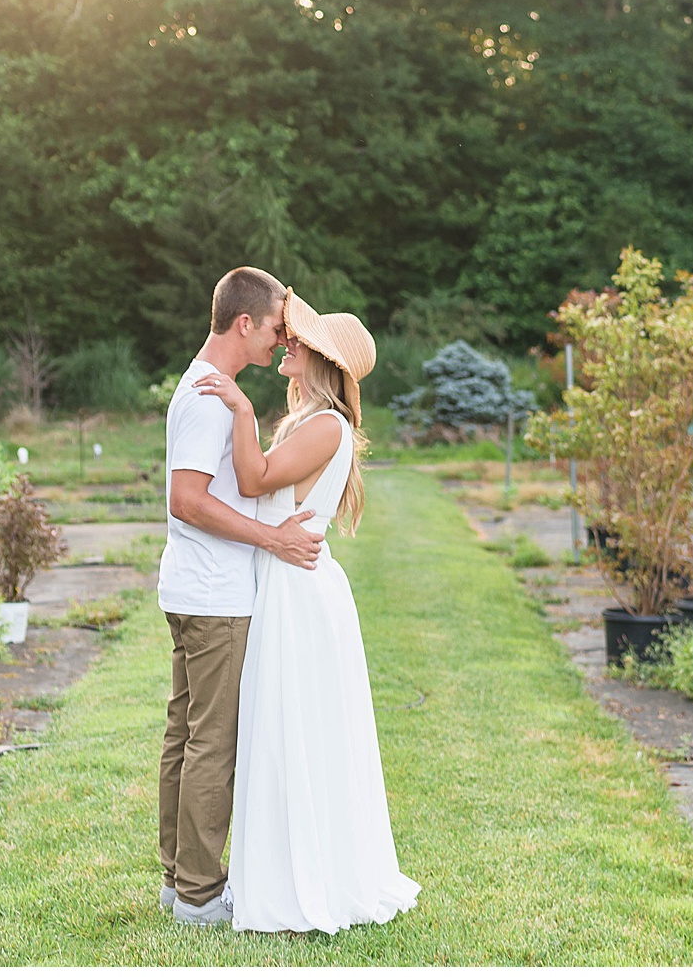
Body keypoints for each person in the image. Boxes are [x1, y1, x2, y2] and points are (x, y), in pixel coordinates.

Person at [194, 289, 421, 934]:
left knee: (295, 732)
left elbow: (256, 479)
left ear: (321, 359)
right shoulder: (312, 423)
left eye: (300, 341)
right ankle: (280, 872)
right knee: (282, 732)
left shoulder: (326, 426)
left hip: (298, 592)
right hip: (289, 584)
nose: (287, 343)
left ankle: (305, 883)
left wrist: (239, 408)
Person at [159, 266, 326, 926]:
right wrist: (271, 539)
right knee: (213, 745)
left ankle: (179, 884)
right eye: (277, 329)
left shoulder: (207, 387)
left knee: (186, 738)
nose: (281, 342)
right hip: (216, 597)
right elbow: (187, 500)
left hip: (193, 588)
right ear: (244, 323)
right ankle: (200, 896)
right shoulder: (208, 396)